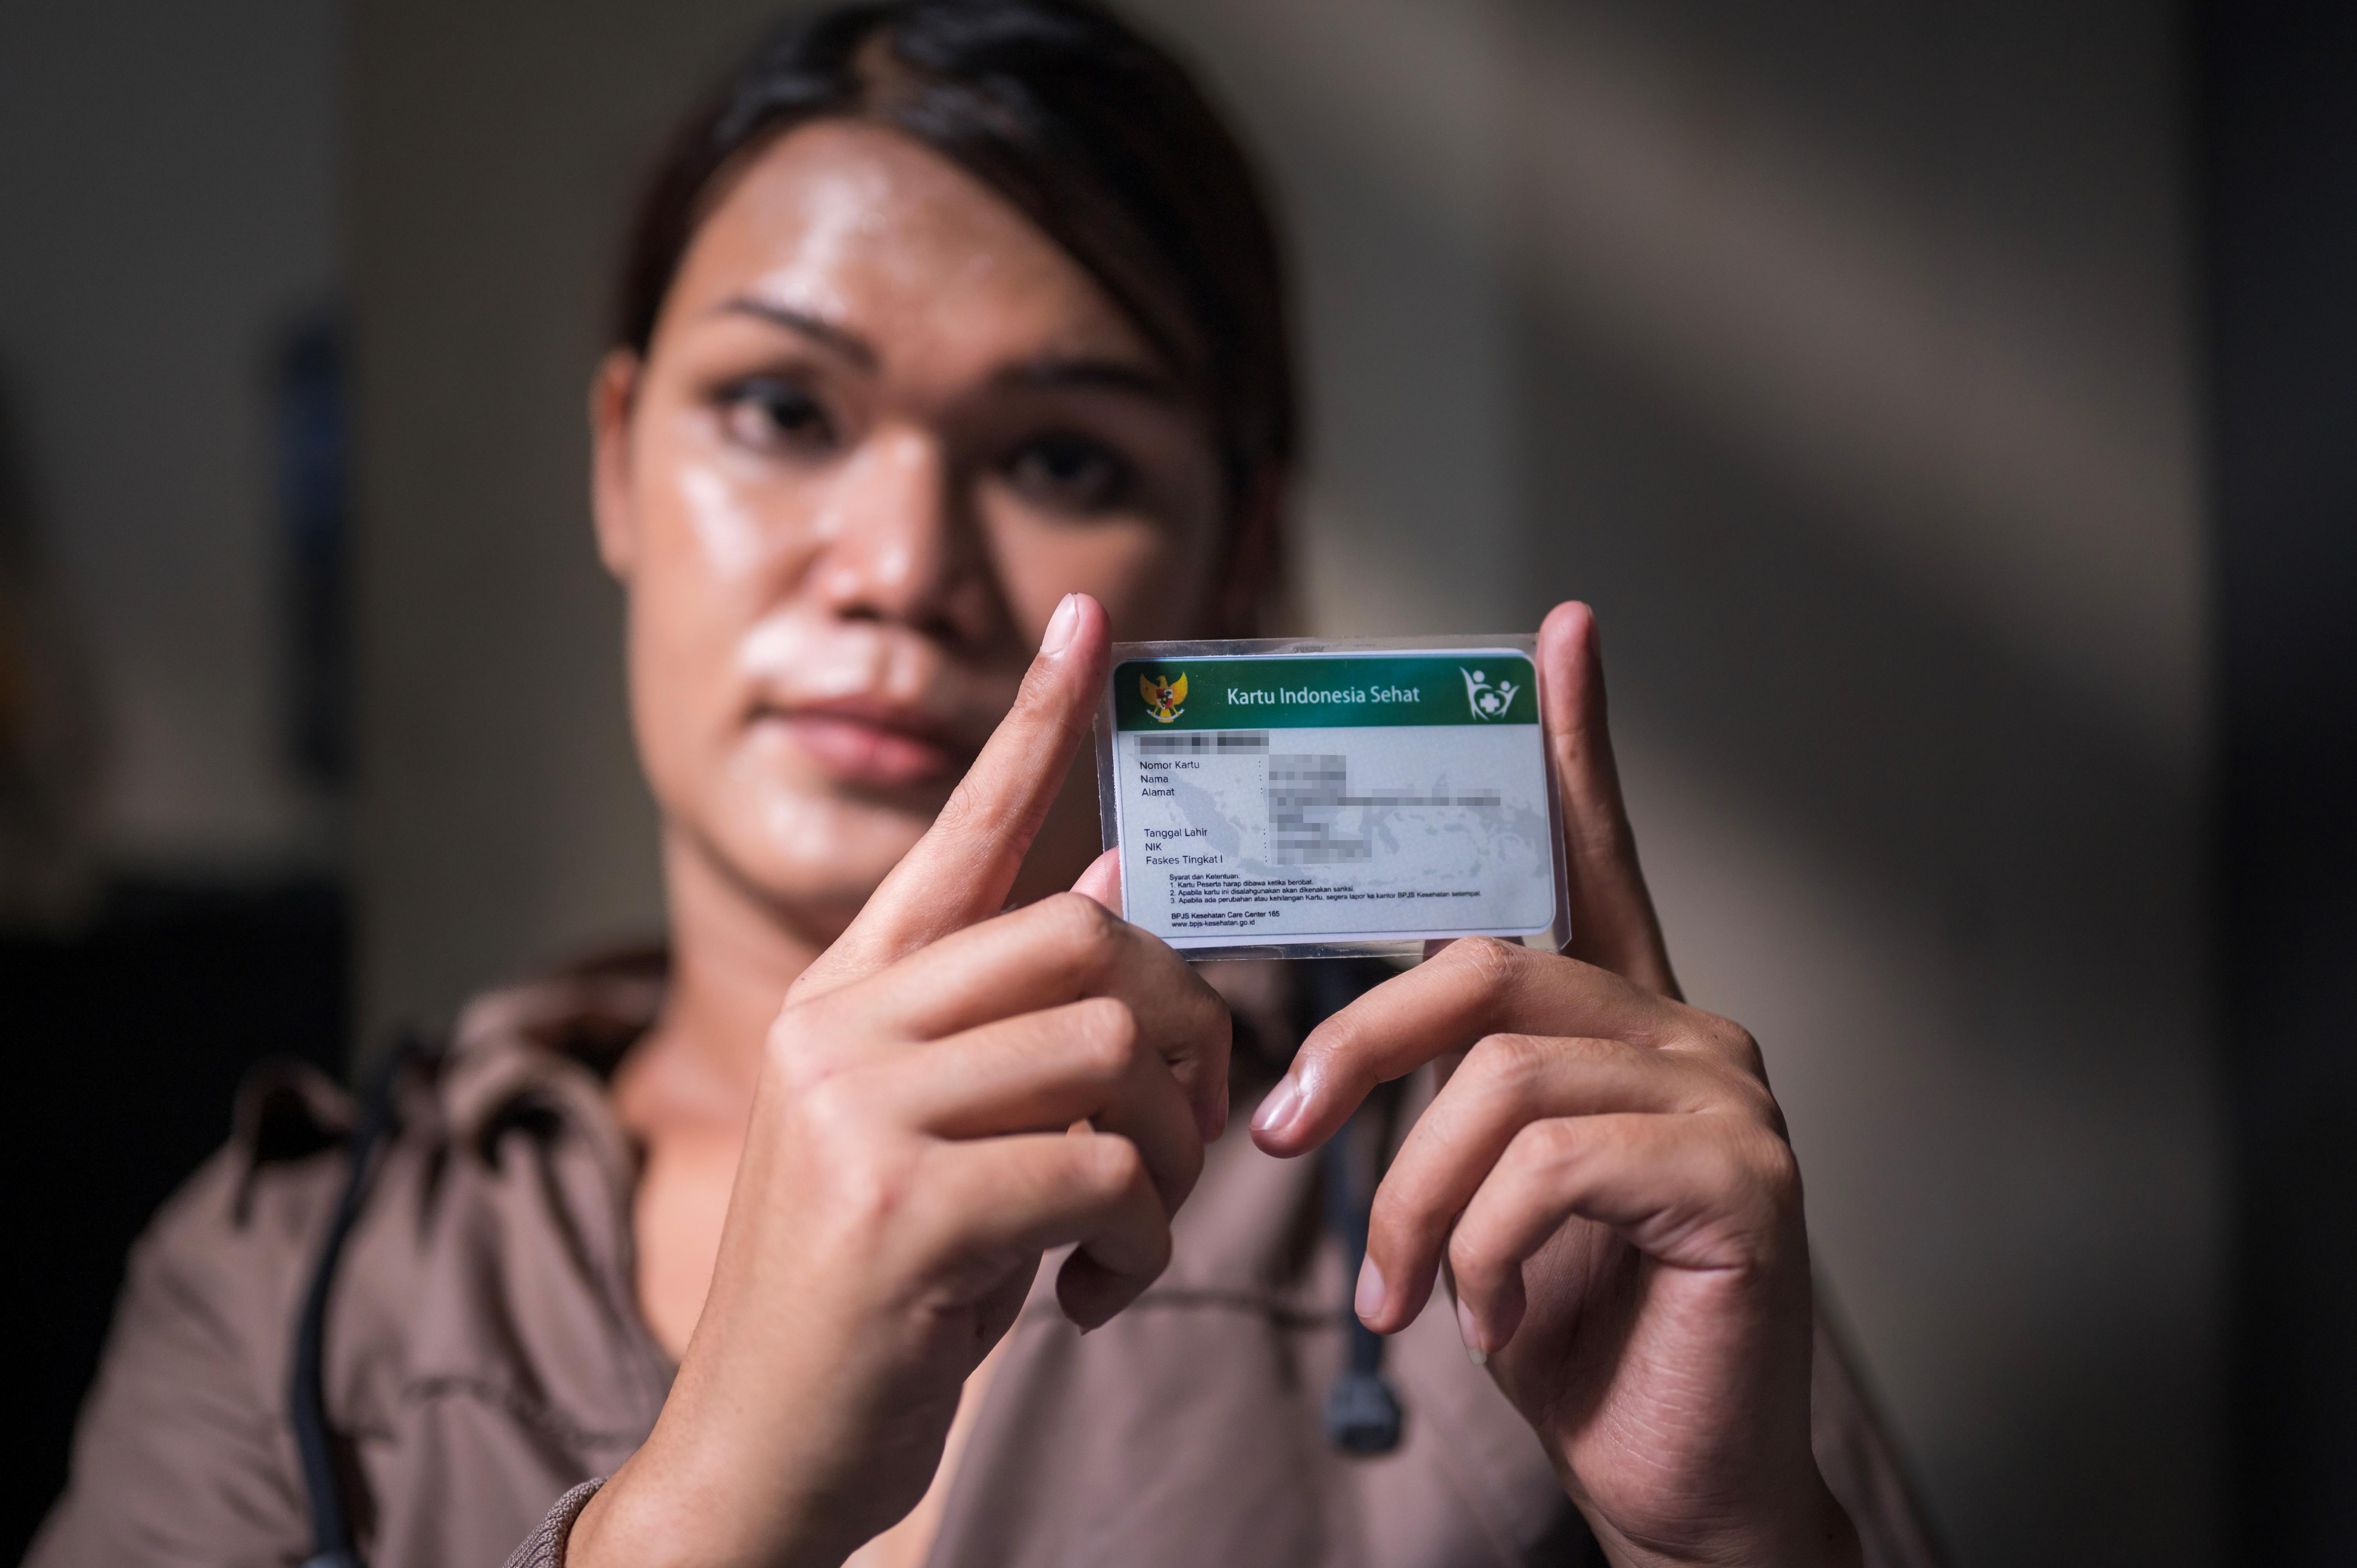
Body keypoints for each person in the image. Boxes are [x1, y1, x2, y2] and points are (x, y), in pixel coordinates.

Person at [30, 3, 1944, 1565]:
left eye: (1063, 459)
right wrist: (697, 1518)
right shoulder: (293, 1262)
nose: (902, 561)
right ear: (621, 463)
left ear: (1234, 559)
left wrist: (1735, 1549)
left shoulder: (1531, 1195)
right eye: (782, 411)